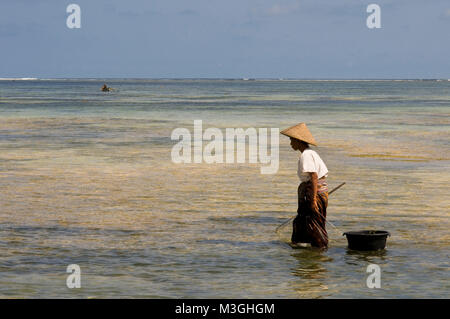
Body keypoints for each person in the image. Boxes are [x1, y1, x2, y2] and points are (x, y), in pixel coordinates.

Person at [281, 123, 329, 249]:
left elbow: (314, 177)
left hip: (314, 193)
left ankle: (320, 248)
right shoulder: (309, 153)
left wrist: (313, 201)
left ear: (298, 141)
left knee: (314, 224)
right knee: (302, 222)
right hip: (317, 191)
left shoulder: (306, 155)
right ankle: (301, 247)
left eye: (292, 140)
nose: (291, 143)